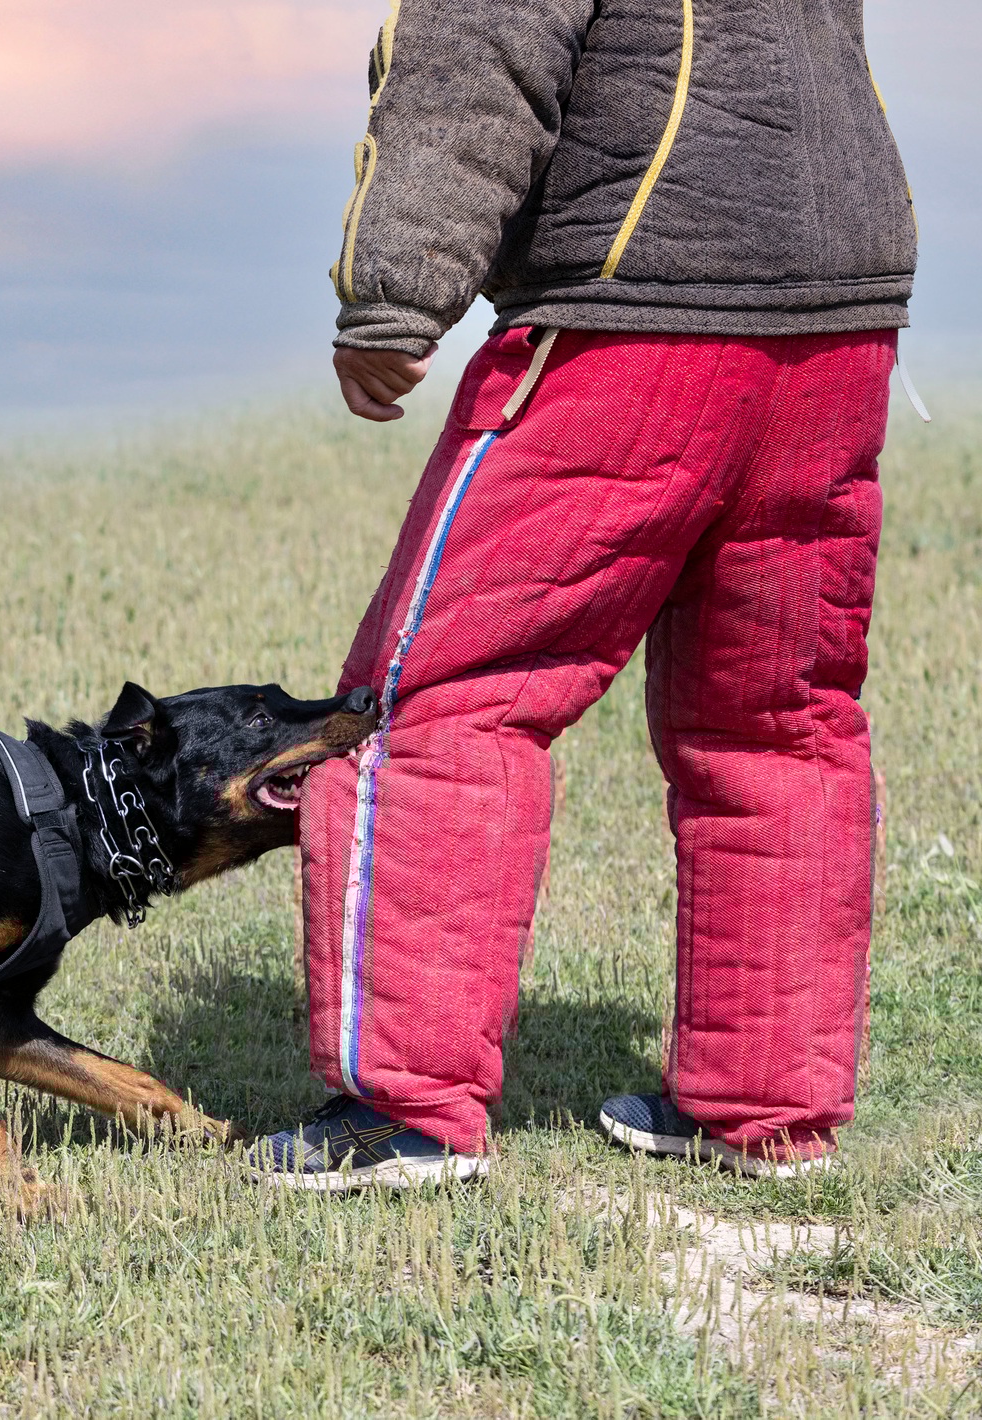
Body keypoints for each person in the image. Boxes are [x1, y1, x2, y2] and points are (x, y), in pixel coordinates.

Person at [251, 0, 915, 1190]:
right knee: (776, 721)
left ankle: (405, 1110)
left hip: (634, 310)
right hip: (839, 320)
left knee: (442, 697)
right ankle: (765, 1108)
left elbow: (476, 46)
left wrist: (395, 293)